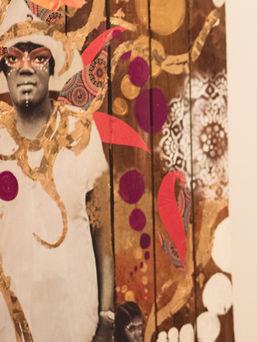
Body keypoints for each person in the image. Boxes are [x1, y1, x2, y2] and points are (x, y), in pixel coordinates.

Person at [0, 3, 114, 340]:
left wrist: (107, 319)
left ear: (51, 68)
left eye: (37, 57)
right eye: (13, 58)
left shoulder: (81, 133)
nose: (25, 68)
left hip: (74, 322)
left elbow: (102, 232)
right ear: (4, 71)